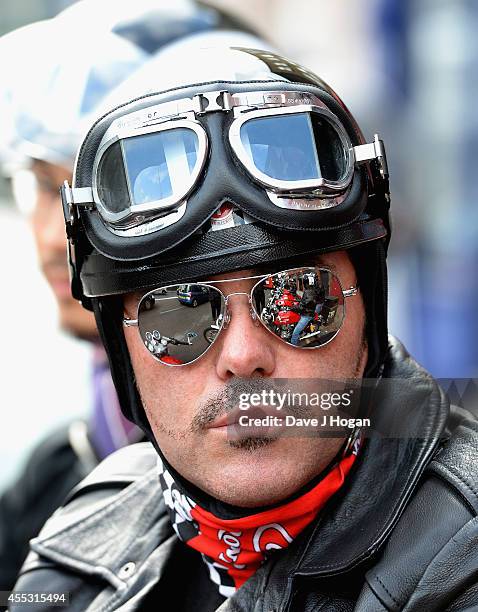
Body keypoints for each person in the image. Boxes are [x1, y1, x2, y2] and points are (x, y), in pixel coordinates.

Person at [11, 46, 478, 612]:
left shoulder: (463, 560)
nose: (243, 355)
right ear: (121, 350)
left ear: (368, 322)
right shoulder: (76, 548)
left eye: (300, 299)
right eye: (178, 317)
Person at [0, 1, 262, 592]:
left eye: (102, 193)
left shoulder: (345, 441)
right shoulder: (59, 474)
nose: (50, 238)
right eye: (39, 188)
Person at [290, 272, 325, 345]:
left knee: (295, 333)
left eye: (304, 282)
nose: (303, 283)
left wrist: (294, 308)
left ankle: (294, 347)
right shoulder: (309, 290)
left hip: (307, 314)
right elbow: (304, 302)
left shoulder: (311, 292)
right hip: (308, 310)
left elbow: (305, 305)